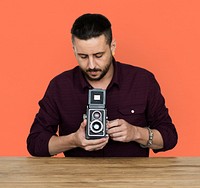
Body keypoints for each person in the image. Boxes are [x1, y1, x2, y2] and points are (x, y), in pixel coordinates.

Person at [27, 13, 178, 157]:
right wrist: (73, 140)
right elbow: (35, 143)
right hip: (77, 180)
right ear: (74, 50)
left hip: (132, 180)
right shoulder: (60, 86)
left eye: (98, 55)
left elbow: (169, 137)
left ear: (112, 47)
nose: (92, 65)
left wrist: (136, 133)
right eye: (83, 56)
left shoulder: (142, 80)